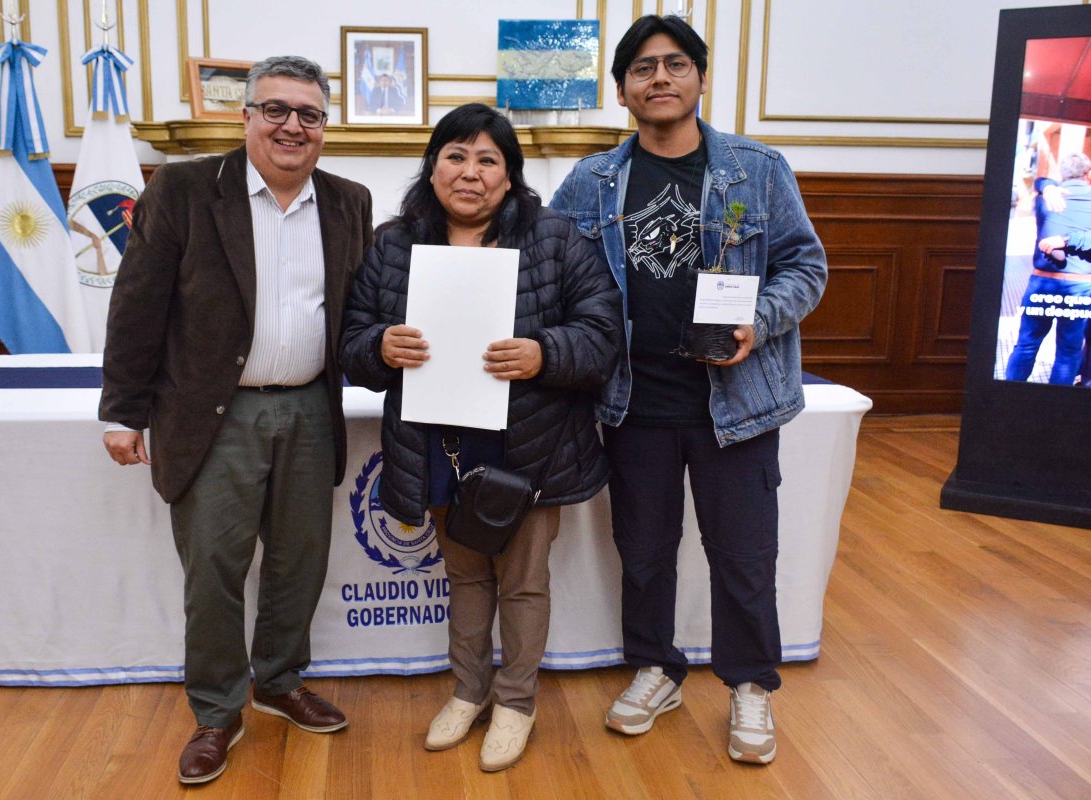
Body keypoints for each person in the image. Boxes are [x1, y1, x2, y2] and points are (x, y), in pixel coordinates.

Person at [550, 15, 827, 765]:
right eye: (643, 68)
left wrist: (759, 321)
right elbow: (551, 270)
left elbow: (806, 267)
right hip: (631, 402)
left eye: (676, 64)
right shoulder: (589, 181)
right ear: (621, 91)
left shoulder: (756, 169)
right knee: (642, 551)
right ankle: (655, 668)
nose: (660, 78)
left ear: (701, 78)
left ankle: (750, 684)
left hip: (735, 402)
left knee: (743, 554)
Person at [99, 55, 373, 785]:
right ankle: (217, 712)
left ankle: (279, 681)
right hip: (211, 412)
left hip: (311, 406)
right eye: (275, 109)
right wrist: (122, 410)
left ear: (324, 127)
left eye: (308, 114)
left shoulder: (349, 201)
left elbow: (360, 310)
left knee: (299, 560)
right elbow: (137, 305)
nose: (292, 126)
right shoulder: (185, 190)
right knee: (215, 569)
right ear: (246, 116)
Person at [339, 103, 621, 772]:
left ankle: (517, 701)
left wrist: (544, 353)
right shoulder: (393, 244)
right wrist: (379, 346)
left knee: (522, 581)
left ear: (510, 174)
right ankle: (468, 692)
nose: (470, 172)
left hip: (529, 443)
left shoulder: (555, 239)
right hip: (436, 441)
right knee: (464, 576)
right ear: (433, 167)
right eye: (456, 156)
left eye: (488, 159)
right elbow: (350, 342)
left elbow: (603, 333)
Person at [1006, 152, 1091, 384]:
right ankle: (1057, 402)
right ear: (1087, 173)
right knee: (1068, 350)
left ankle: (1010, 395)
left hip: (1042, 283)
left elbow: (1040, 181)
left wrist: (1046, 185)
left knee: (1026, 345)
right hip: (1080, 287)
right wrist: (1071, 240)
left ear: (1062, 173)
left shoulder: (1044, 198)